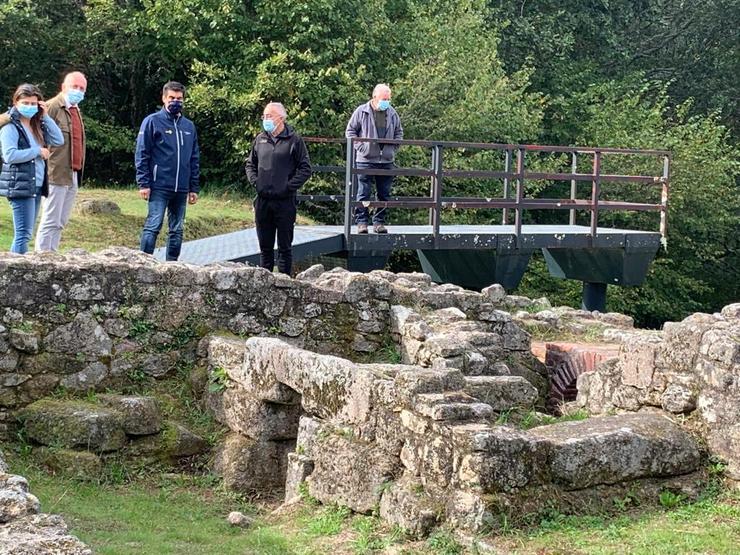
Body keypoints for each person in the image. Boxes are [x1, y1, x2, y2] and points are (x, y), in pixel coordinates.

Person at [135, 81, 200, 261]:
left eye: (179, 98)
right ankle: (144, 263)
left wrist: (194, 187)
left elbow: (194, 158)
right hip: (159, 185)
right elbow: (142, 153)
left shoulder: (189, 126)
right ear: (164, 98)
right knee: (153, 225)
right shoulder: (152, 121)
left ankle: (172, 266)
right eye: (171, 98)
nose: (175, 101)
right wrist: (144, 183)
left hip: (181, 187)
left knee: (177, 229)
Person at [245, 102, 311, 274]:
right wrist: (256, 182)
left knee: (284, 248)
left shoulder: (295, 140)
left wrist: (288, 187)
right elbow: (250, 164)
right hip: (263, 200)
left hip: (285, 202)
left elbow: (305, 169)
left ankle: (285, 284)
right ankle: (264, 287)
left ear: (281, 118)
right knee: (265, 248)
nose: (265, 119)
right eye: (264, 116)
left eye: (269, 116)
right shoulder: (260, 139)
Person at [0, 84, 64, 254]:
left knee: (27, 234)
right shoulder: (10, 127)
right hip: (20, 185)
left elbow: (58, 140)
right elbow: (10, 156)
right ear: (16, 103)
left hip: (35, 184)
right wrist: (37, 151)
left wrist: (45, 117)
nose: (29, 107)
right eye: (25, 103)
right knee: (23, 234)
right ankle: (14, 271)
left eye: (33, 104)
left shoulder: (37, 125)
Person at [35, 71, 88, 252]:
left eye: (82, 88)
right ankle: (41, 258)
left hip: (73, 173)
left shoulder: (75, 110)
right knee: (50, 220)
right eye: (75, 87)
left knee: (61, 221)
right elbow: (36, 137)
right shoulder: (51, 107)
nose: (78, 91)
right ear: (64, 87)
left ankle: (53, 255)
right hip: (54, 173)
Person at [345, 83, 403, 234]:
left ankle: (379, 222)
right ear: (374, 97)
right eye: (384, 98)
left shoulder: (392, 113)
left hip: (386, 160)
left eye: (388, 99)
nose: (387, 102)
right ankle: (362, 223)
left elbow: (399, 132)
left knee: (384, 193)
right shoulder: (361, 111)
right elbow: (350, 131)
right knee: (363, 192)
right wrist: (362, 148)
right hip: (365, 160)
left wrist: (392, 148)